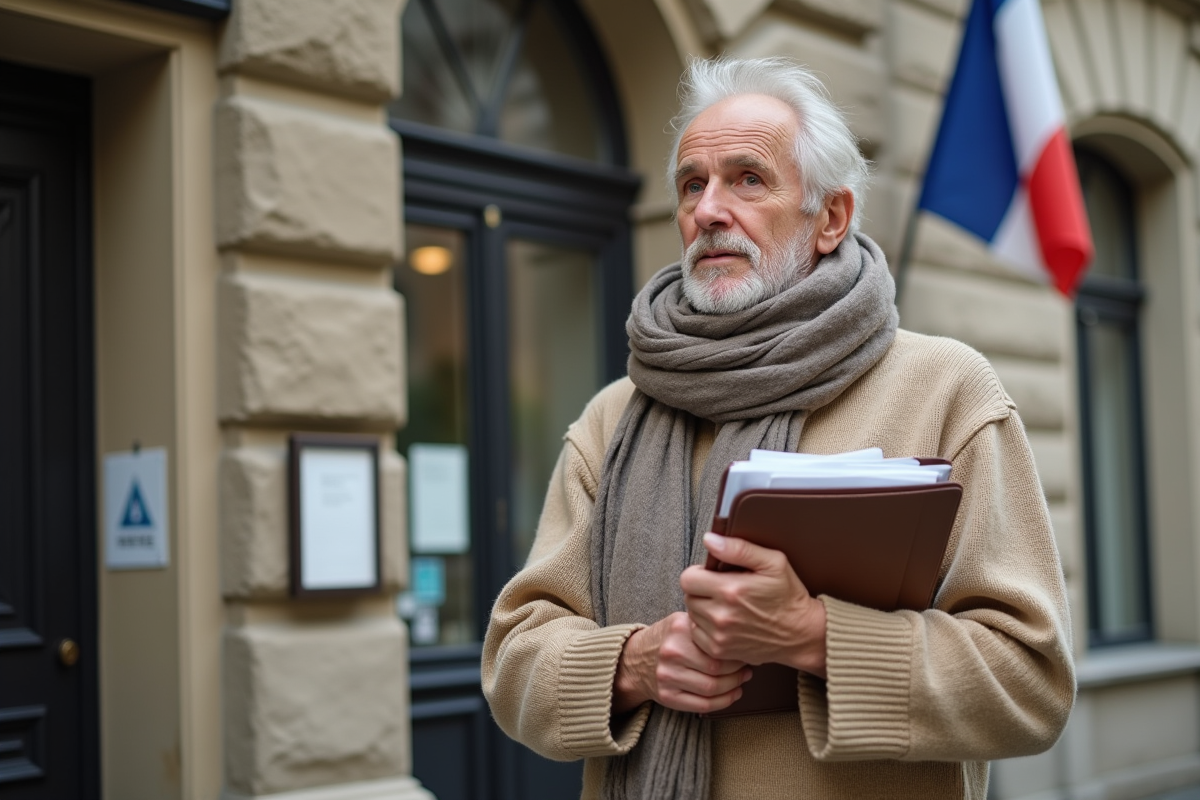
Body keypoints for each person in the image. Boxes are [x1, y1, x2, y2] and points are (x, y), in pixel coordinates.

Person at [482, 56, 1075, 800]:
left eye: (748, 179)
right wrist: (633, 664)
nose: (709, 209)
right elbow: (514, 660)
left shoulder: (947, 390)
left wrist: (812, 635)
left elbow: (1032, 682)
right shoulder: (613, 418)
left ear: (830, 218)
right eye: (693, 184)